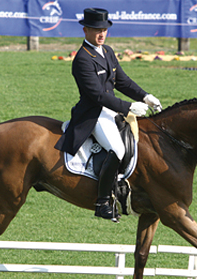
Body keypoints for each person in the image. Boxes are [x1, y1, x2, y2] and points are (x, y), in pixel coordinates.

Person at [55, 8, 162, 221]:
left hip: (111, 110)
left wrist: (145, 96)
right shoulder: (83, 59)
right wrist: (129, 107)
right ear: (85, 30)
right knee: (117, 149)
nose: (101, 34)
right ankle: (103, 202)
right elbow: (97, 96)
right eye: (96, 30)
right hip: (93, 114)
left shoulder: (108, 51)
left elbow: (122, 81)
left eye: (104, 30)